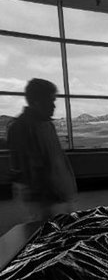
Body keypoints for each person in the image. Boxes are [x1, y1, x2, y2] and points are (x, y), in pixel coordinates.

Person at [7, 78, 77, 222]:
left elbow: (57, 156)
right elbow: (29, 167)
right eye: (49, 101)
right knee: (44, 230)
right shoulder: (21, 127)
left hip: (54, 191)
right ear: (36, 102)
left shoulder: (47, 124)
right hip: (40, 196)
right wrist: (46, 193)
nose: (53, 106)